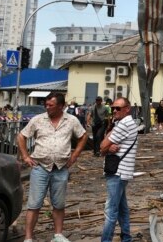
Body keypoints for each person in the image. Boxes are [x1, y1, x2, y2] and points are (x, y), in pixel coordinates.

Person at [18, 92, 87, 242]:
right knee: (34, 204)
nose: (47, 107)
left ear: (61, 106)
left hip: (61, 168)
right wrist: (25, 157)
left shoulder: (71, 121)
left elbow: (83, 136)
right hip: (40, 167)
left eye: (51, 105)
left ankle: (58, 235)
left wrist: (74, 156)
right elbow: (21, 136)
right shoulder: (38, 120)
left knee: (59, 204)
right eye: (46, 105)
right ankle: (28, 237)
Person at [100, 97, 138, 242]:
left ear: (127, 109)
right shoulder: (125, 123)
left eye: (118, 108)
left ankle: (106, 240)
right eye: (112, 108)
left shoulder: (124, 124)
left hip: (117, 172)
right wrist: (108, 146)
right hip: (123, 171)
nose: (114, 111)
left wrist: (106, 146)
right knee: (122, 209)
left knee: (110, 210)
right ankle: (126, 237)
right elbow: (105, 145)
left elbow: (101, 147)